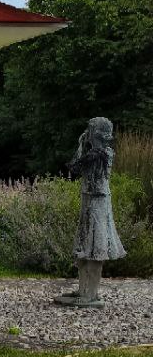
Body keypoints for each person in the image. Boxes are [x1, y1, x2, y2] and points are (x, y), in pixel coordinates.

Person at [55, 116, 125, 307]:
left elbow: (75, 167)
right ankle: (83, 290)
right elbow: (76, 167)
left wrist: (80, 144)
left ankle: (91, 294)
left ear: (96, 133)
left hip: (98, 205)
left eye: (89, 130)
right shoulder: (96, 153)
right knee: (84, 249)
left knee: (95, 249)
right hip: (90, 202)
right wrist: (82, 144)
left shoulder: (101, 153)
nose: (86, 133)